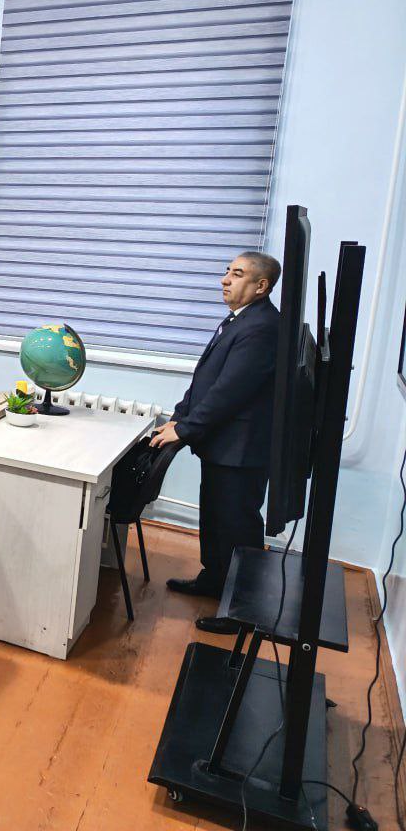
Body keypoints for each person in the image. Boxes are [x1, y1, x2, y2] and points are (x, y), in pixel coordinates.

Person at [155, 251, 281, 633]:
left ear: (261, 286)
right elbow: (206, 379)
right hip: (224, 446)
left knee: (237, 526)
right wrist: (180, 414)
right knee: (215, 517)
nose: (225, 279)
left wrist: (186, 429)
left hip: (241, 450)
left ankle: (242, 612)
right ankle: (214, 579)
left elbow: (230, 392)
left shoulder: (263, 327)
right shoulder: (238, 320)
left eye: (237, 274)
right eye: (227, 271)